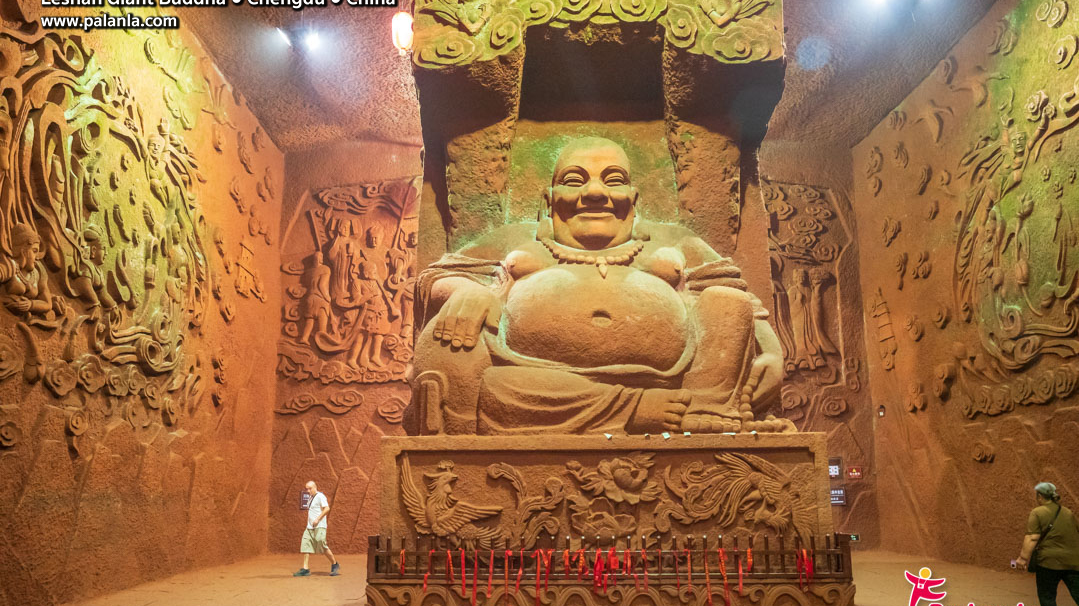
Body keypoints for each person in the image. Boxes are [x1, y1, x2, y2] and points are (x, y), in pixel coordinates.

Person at [413, 136, 786, 436]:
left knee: (725, 300)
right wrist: (468, 291)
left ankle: (708, 410)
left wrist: (771, 353)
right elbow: (435, 279)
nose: (594, 193)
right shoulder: (514, 239)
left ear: (634, 198)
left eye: (613, 180)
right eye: (575, 181)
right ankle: (635, 408)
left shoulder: (675, 240)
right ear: (549, 198)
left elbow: (742, 303)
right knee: (493, 386)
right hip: (539, 383)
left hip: (678, 382)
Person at [1015, 482, 1079, 606]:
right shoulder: (1067, 512)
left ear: (1040, 496)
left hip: (1048, 562)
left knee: (1047, 595)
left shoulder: (1037, 512)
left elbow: (1032, 537)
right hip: (1073, 561)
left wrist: (1023, 558)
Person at [294, 481, 340, 577]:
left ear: (315, 487)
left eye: (310, 488)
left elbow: (327, 508)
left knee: (321, 544)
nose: (308, 490)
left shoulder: (320, 496)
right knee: (306, 544)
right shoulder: (310, 498)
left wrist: (318, 519)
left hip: (320, 526)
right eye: (307, 489)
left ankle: (334, 564)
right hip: (309, 527)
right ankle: (305, 569)